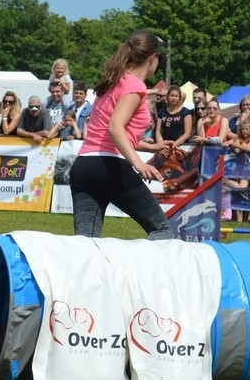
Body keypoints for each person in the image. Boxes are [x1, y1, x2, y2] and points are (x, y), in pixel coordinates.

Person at [68, 30, 173, 239]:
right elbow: (115, 128)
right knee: (162, 230)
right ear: (153, 57)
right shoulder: (135, 86)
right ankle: (141, 272)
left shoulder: (112, 81)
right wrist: (139, 164)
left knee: (85, 243)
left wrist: (151, 147)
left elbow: (118, 131)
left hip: (84, 166)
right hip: (109, 168)